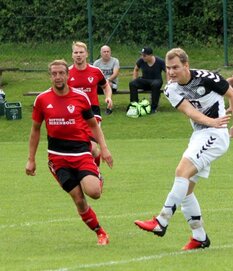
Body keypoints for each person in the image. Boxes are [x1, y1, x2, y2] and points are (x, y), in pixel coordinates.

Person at [134, 48, 233, 250]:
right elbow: (191, 112)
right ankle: (200, 237)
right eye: (168, 68)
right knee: (186, 190)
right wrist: (211, 121)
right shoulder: (170, 89)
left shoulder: (207, 78)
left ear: (186, 65)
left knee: (180, 172)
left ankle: (161, 221)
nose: (171, 72)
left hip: (215, 135)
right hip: (201, 134)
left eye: (175, 67)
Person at [25, 59, 113, 245]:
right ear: (50, 76)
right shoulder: (42, 100)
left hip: (81, 153)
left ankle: (96, 178)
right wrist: (31, 159)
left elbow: (94, 126)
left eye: (61, 73)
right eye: (54, 73)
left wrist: (104, 149)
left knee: (94, 193)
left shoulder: (80, 97)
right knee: (79, 199)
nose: (58, 77)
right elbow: (35, 130)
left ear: (67, 75)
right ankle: (100, 232)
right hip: (58, 158)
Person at [68, 41, 113, 166]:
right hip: (74, 113)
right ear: (72, 55)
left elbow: (105, 86)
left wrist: (108, 97)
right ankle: (89, 173)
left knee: (92, 148)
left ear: (86, 54)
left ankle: (95, 173)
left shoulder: (95, 71)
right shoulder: (67, 73)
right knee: (82, 149)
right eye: (76, 52)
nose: (78, 55)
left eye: (81, 52)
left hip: (93, 112)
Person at [129, 47, 166, 113]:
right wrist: (134, 79)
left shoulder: (160, 61)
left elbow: (167, 71)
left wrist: (169, 83)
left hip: (156, 80)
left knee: (155, 84)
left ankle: (153, 108)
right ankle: (134, 105)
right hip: (145, 81)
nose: (142, 57)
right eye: (142, 55)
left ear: (151, 55)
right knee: (132, 83)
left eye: (144, 55)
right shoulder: (141, 60)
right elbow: (136, 69)